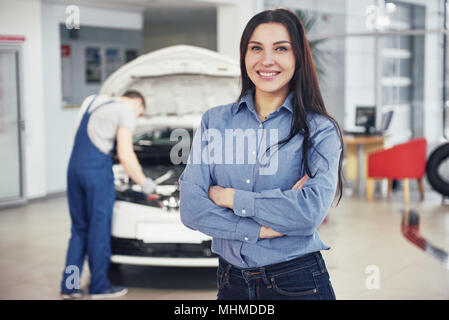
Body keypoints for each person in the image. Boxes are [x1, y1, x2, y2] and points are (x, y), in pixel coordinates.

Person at [179, 8, 344, 300]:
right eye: (256, 48)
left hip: (298, 281)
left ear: (298, 58)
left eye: (281, 48)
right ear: (244, 56)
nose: (266, 60)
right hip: (231, 282)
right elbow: (192, 209)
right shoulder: (214, 121)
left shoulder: (320, 130)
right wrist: (260, 229)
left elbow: (308, 213)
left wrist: (231, 198)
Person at [60, 91, 157, 299]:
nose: (136, 118)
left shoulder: (90, 100)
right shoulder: (127, 111)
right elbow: (124, 153)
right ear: (138, 103)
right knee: (99, 231)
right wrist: (146, 184)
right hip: (96, 172)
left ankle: (69, 286)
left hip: (74, 168)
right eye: (140, 115)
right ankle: (99, 287)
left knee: (78, 230)